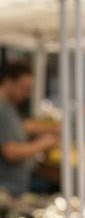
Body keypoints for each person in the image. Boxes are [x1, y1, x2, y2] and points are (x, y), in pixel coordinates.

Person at [0, 61, 59, 195]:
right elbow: (11, 152)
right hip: (5, 189)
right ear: (8, 81)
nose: (26, 94)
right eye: (23, 88)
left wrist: (48, 129)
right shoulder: (1, 108)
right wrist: (43, 143)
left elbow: (22, 127)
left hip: (12, 188)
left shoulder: (9, 106)